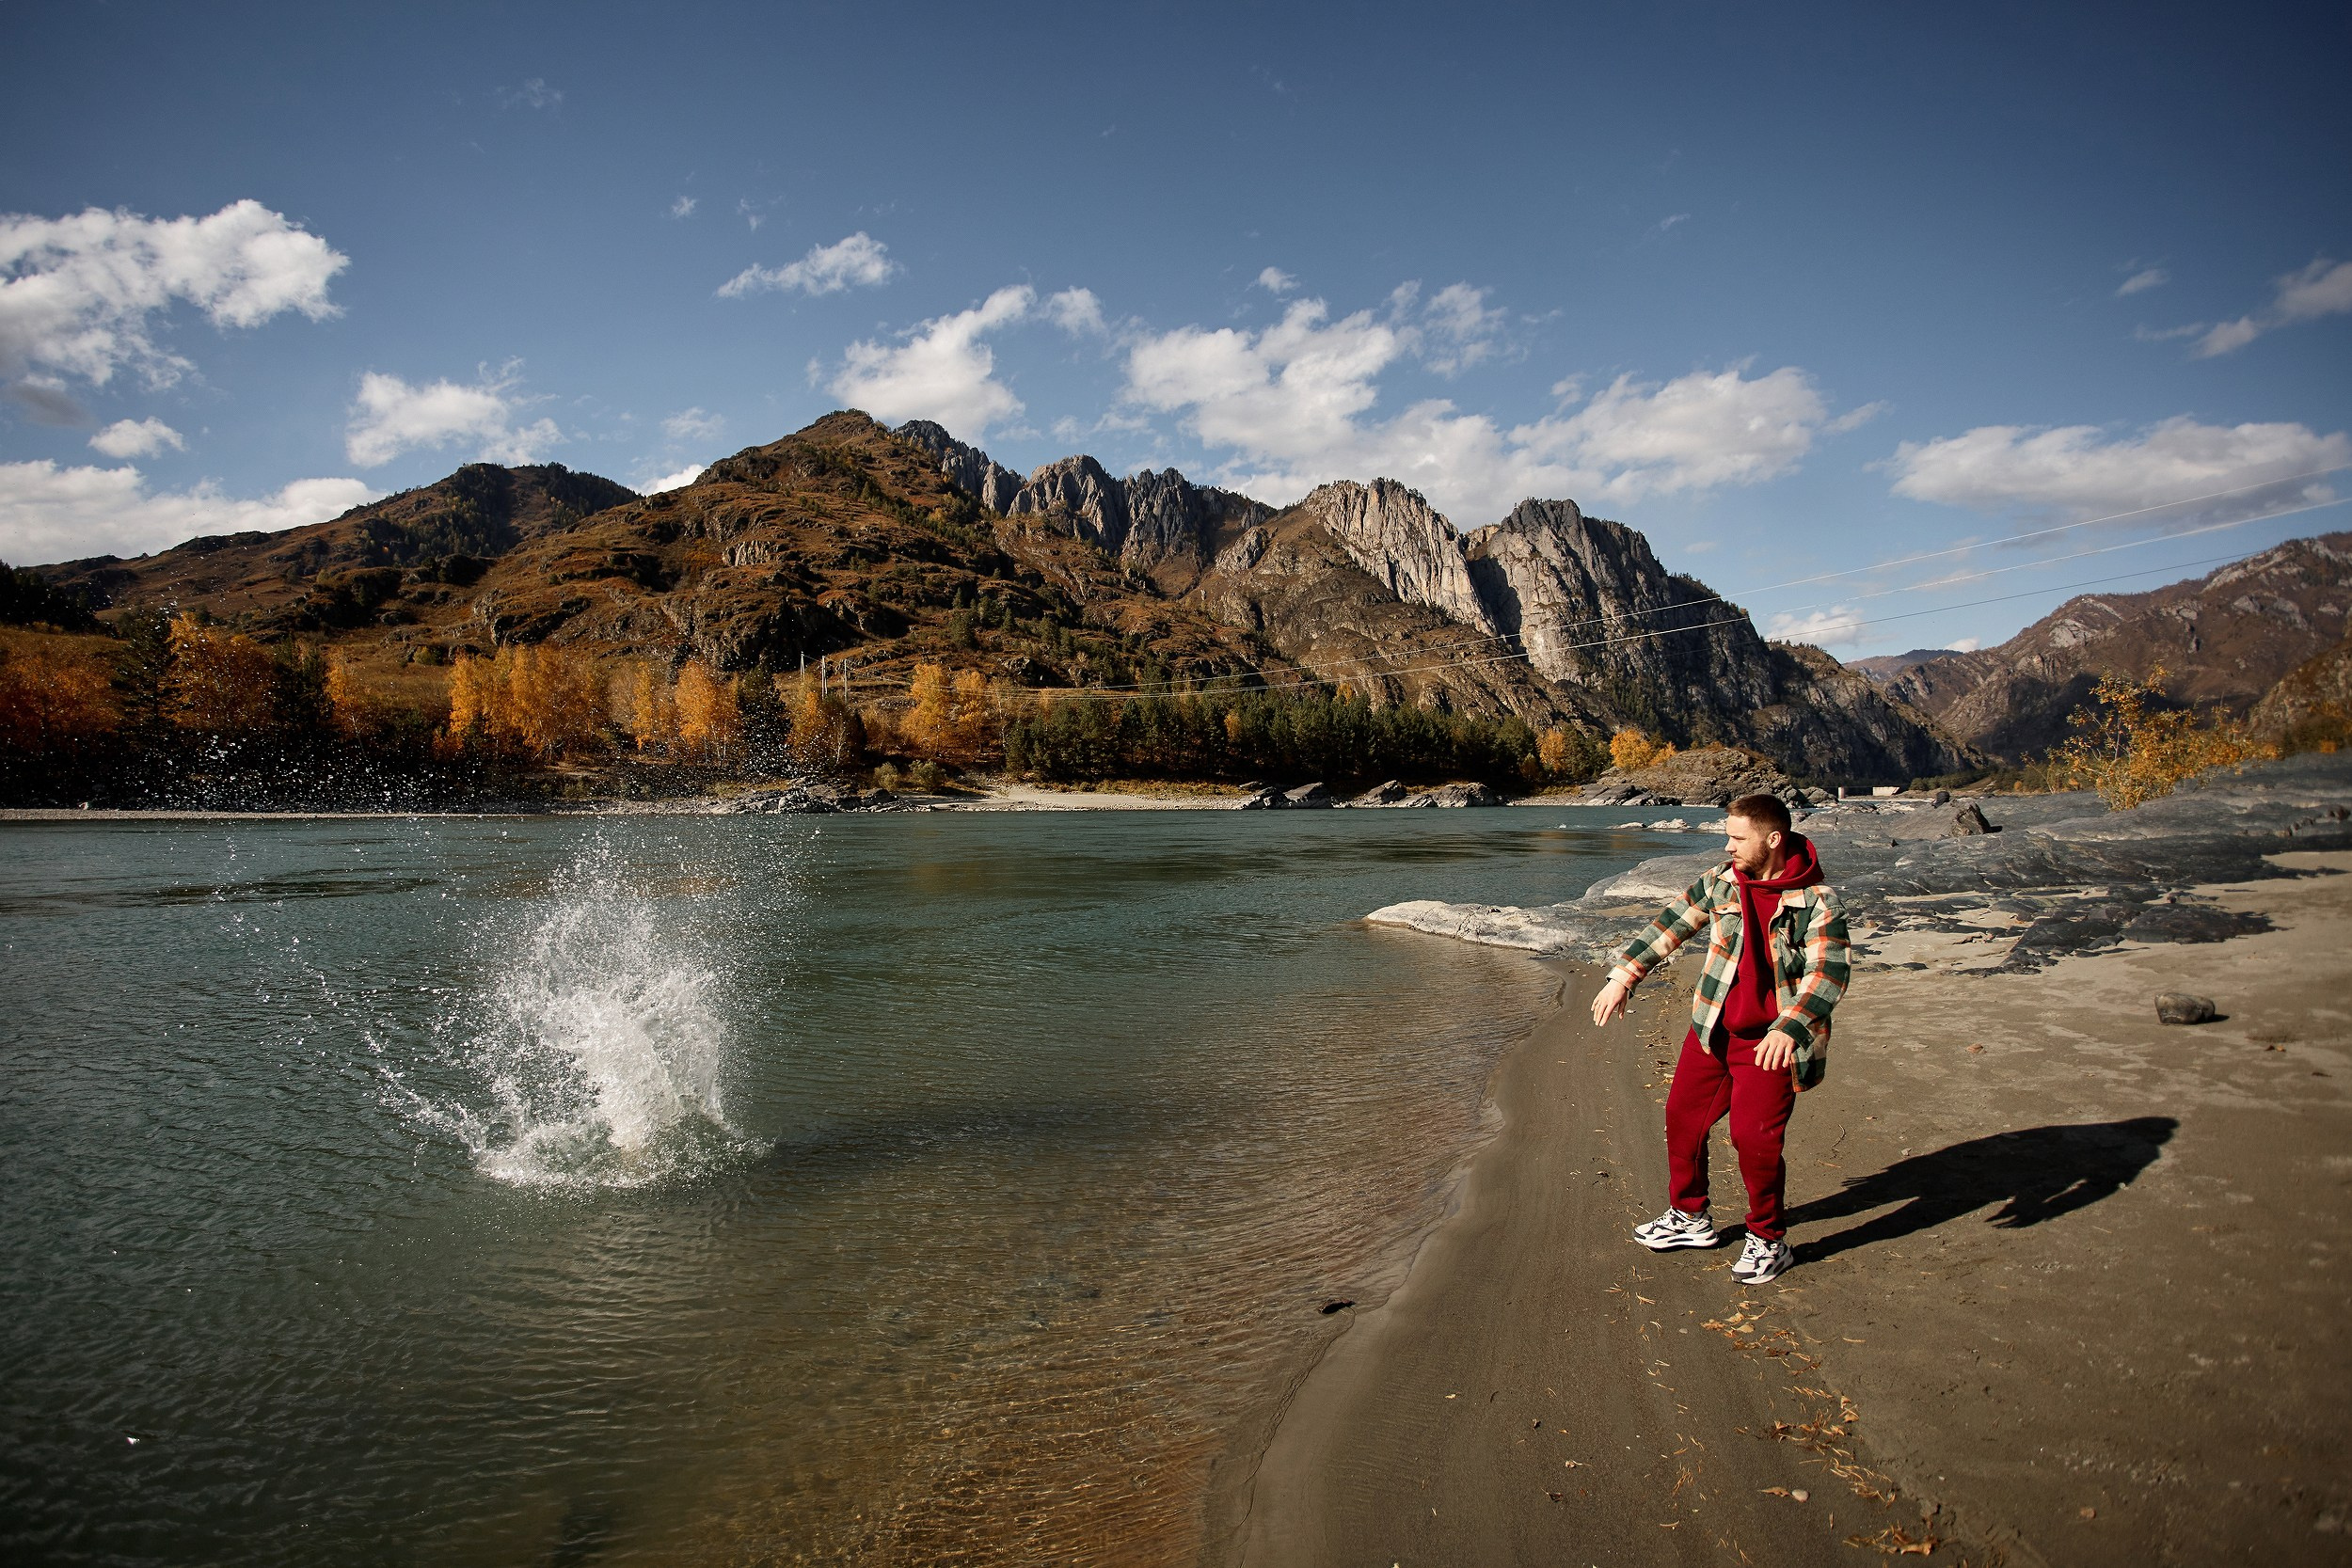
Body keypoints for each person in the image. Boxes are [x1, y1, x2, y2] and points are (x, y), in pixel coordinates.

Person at [1588, 793, 1851, 1283]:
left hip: (1771, 1045)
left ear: (1772, 839)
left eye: (1736, 837)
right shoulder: (1720, 884)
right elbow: (1668, 925)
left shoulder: (1817, 904)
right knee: (1682, 1120)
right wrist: (1623, 976)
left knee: (1753, 1140)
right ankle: (1690, 1217)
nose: (1727, 847)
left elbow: (1828, 973)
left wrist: (1791, 1026)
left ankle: (1769, 1241)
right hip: (1713, 1031)